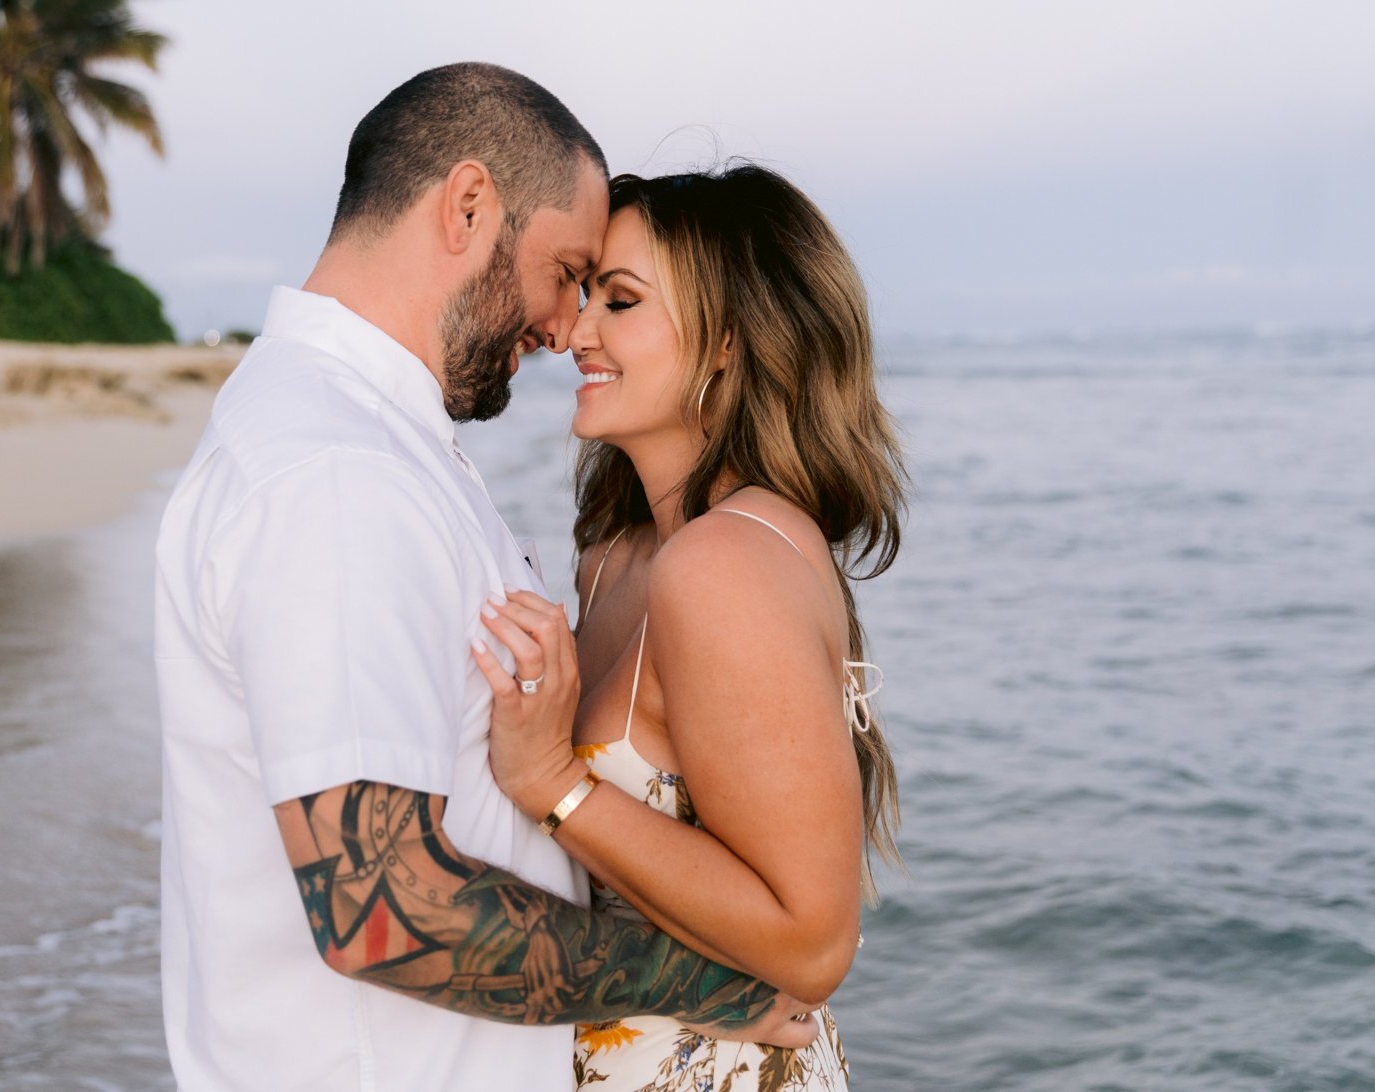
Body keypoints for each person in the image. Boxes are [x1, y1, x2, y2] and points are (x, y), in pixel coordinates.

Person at [154, 66, 815, 1092]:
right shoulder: (339, 472)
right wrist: (718, 986)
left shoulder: (363, 443)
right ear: (467, 206)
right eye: (564, 271)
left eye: (604, 292)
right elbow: (384, 908)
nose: (562, 327)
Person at [471, 164, 907, 1090]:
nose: (576, 330)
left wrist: (554, 784)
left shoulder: (724, 564)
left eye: (619, 302)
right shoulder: (619, 554)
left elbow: (813, 939)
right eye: (585, 293)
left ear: (725, 346)